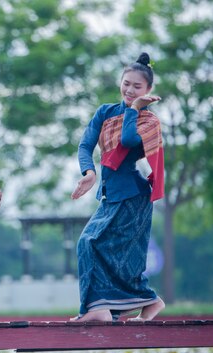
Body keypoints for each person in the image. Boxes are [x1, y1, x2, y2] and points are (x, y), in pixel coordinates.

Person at [70, 52, 166, 322]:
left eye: (137, 86)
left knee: (91, 244)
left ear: (148, 90)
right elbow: (86, 145)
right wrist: (89, 173)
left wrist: (134, 109)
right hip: (111, 195)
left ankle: (101, 309)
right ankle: (143, 303)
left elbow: (126, 140)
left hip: (133, 197)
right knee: (99, 249)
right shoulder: (105, 112)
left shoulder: (148, 121)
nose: (129, 90)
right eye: (126, 83)